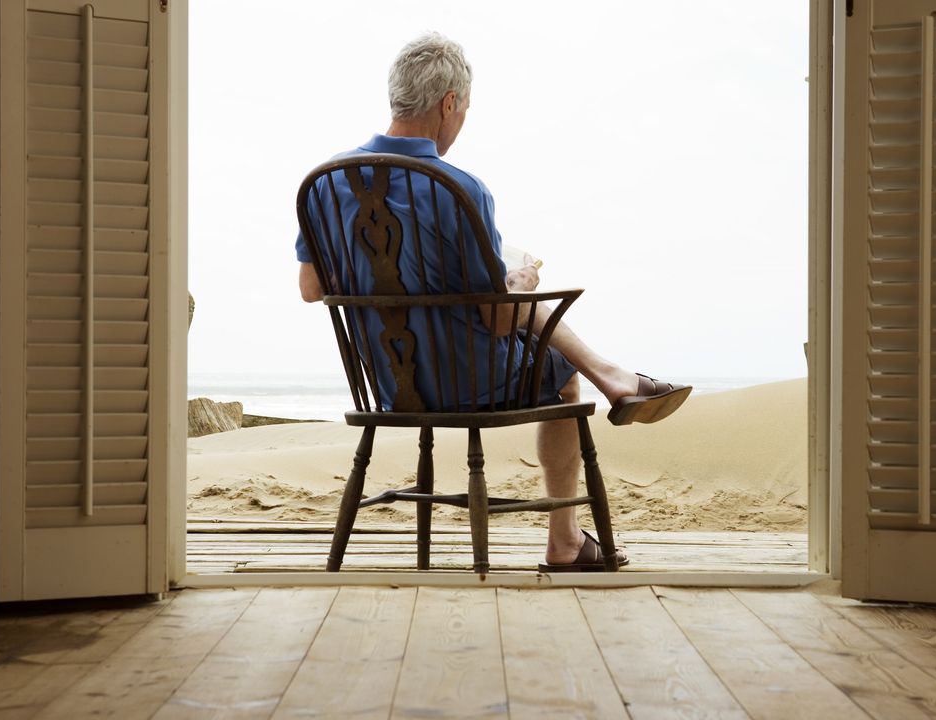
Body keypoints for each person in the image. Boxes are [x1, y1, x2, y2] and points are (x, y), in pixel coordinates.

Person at [296, 32, 691, 571]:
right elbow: (500, 320)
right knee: (557, 369)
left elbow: (311, 289)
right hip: (466, 382)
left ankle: (614, 376)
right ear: (449, 103)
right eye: (464, 110)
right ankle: (566, 541)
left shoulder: (323, 184)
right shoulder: (458, 187)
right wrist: (520, 280)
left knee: (506, 291)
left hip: (386, 385)